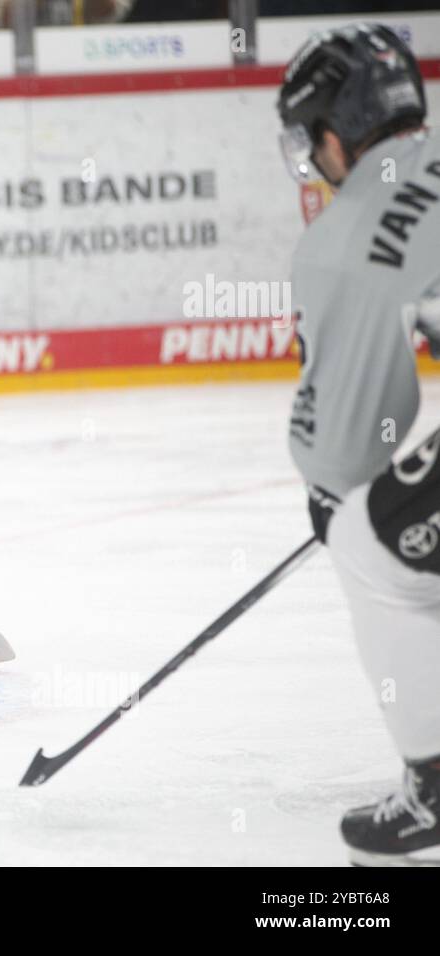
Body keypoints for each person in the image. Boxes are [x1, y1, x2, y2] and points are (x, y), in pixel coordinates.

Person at [277, 22, 440, 866]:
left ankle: (434, 785)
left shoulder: (345, 238)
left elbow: (341, 452)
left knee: (371, 544)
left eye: (313, 139)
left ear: (339, 130)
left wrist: (333, 502)